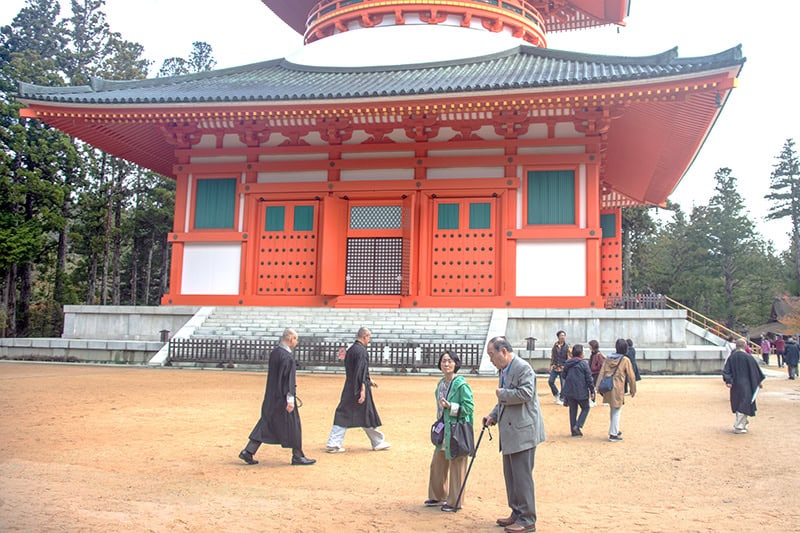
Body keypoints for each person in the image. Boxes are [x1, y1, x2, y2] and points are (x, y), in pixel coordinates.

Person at [484, 336, 545, 533]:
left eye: (492, 355)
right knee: (511, 476)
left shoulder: (523, 368)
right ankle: (516, 512)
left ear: (503, 352)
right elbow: (503, 398)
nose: (491, 359)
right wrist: (493, 415)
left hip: (523, 431)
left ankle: (527, 519)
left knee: (522, 477)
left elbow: (526, 393)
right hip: (511, 431)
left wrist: (502, 394)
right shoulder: (504, 369)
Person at [239, 328, 316, 466]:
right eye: (296, 339)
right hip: (283, 398)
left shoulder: (275, 353)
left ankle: (248, 451)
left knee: (266, 423)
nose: (296, 342)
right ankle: (297, 455)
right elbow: (288, 380)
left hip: (271, 396)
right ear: (291, 339)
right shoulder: (287, 357)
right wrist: (290, 398)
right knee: (294, 424)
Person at [326, 327, 391, 452]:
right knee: (365, 414)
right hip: (359, 387)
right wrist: (362, 389)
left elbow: (356, 370)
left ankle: (335, 442)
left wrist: (369, 379)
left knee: (349, 413)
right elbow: (360, 370)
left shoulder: (351, 350)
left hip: (350, 386)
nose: (369, 340)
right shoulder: (361, 351)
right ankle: (377, 442)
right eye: (369, 338)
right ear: (365, 336)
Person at [425, 351, 474, 512]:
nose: (446, 364)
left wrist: (451, 407)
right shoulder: (440, 385)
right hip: (443, 429)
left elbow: (468, 408)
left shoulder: (461, 385)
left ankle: (455, 501)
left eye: (450, 361)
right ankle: (437, 495)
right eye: (444, 361)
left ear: (456, 364)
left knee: (457, 465)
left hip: (457, 430)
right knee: (437, 463)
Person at [595, 338, 637, 442]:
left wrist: (598, 386)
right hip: (618, 387)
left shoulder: (608, 358)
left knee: (612, 409)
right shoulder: (625, 360)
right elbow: (631, 376)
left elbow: (602, 372)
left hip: (607, 386)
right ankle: (613, 433)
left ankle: (615, 429)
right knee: (617, 410)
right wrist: (633, 389)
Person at [722, 338, 765, 433]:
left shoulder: (731, 357)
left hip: (736, 383)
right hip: (747, 384)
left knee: (738, 402)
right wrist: (758, 381)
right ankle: (739, 426)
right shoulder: (748, 357)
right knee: (744, 402)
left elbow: (726, 370)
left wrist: (728, 381)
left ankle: (742, 423)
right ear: (745, 346)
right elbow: (755, 371)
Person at [561, 344, 595, 437]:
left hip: (570, 390)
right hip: (581, 390)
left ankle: (573, 431)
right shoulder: (584, 364)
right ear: (581, 354)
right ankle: (578, 425)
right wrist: (592, 390)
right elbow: (589, 378)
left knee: (573, 410)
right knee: (585, 408)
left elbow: (563, 375)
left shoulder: (568, 363)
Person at [548, 330, 570, 405]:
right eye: (561, 335)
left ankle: (561, 398)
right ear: (558, 337)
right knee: (550, 381)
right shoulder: (555, 346)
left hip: (563, 367)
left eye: (564, 335)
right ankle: (556, 394)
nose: (563, 337)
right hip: (555, 367)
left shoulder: (567, 347)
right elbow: (553, 356)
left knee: (563, 384)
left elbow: (569, 357)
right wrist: (551, 365)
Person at [588, 340, 605, 406]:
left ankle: (593, 401)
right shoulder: (592, 354)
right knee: (596, 388)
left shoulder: (598, 354)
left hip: (597, 373)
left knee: (594, 387)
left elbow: (601, 364)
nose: (589, 347)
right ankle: (605, 399)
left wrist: (595, 368)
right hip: (593, 373)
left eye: (590, 345)